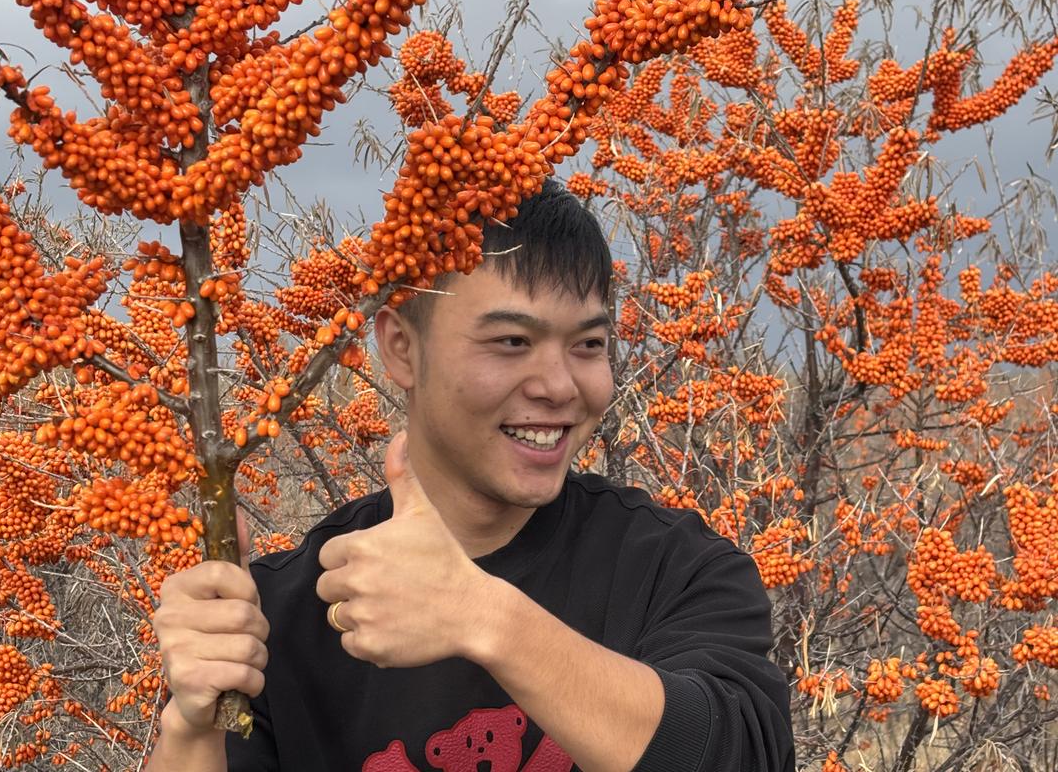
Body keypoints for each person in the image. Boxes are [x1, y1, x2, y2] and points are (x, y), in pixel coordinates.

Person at [146, 180, 795, 772]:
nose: (559, 386)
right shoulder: (282, 618)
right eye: (511, 342)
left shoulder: (677, 569)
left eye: (589, 345)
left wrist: (481, 615)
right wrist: (190, 727)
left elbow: (742, 754)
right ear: (401, 347)